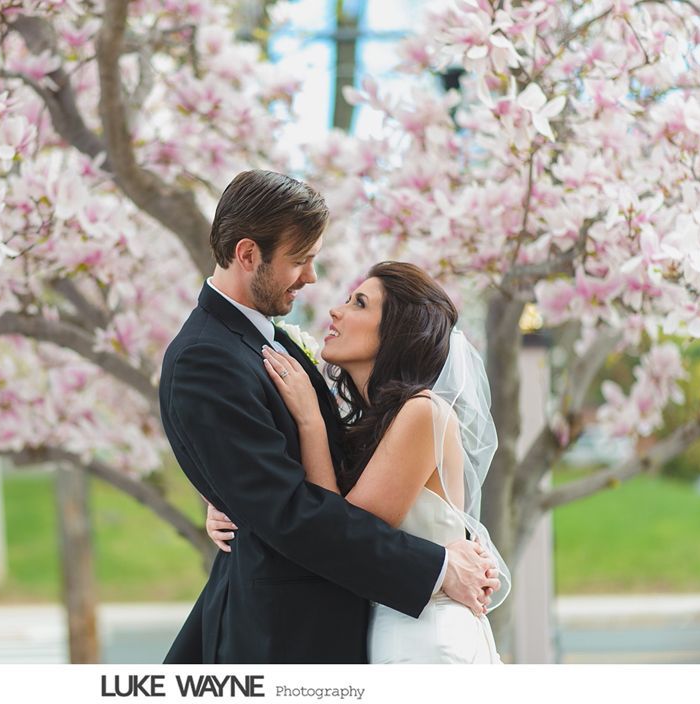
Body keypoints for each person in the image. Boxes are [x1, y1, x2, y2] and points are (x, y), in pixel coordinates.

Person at [160, 170, 499, 664]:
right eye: (300, 260)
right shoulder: (207, 358)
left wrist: (243, 502)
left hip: (362, 630)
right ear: (248, 254)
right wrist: (437, 567)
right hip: (284, 639)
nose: (313, 280)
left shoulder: (270, 345)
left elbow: (295, 492)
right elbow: (287, 513)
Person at [207, 260, 511, 663]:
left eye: (360, 304)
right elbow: (301, 500)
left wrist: (311, 421)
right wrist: (232, 503)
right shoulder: (369, 425)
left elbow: (342, 532)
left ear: (396, 334)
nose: (336, 310)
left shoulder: (424, 413)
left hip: (428, 639)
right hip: (395, 628)